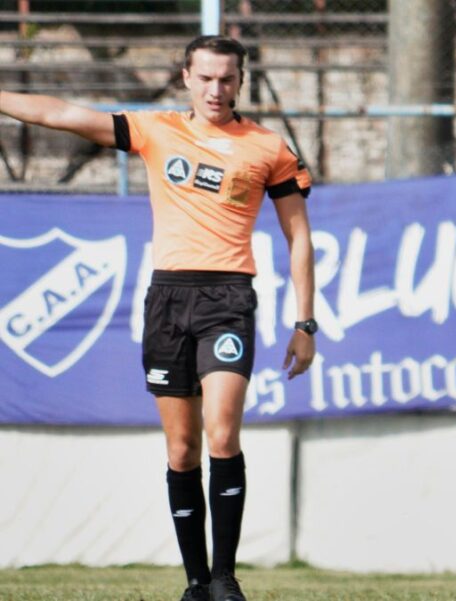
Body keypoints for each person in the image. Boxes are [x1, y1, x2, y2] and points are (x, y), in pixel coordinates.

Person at [0, 36, 316, 601]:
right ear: (186, 78)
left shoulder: (268, 147)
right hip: (168, 301)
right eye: (206, 78)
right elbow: (63, 114)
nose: (216, 89)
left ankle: (224, 579)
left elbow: (298, 237)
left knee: (222, 434)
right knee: (181, 451)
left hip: (228, 299)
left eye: (227, 79)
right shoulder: (156, 129)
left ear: (241, 82)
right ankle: (195, 583)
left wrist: (306, 323)